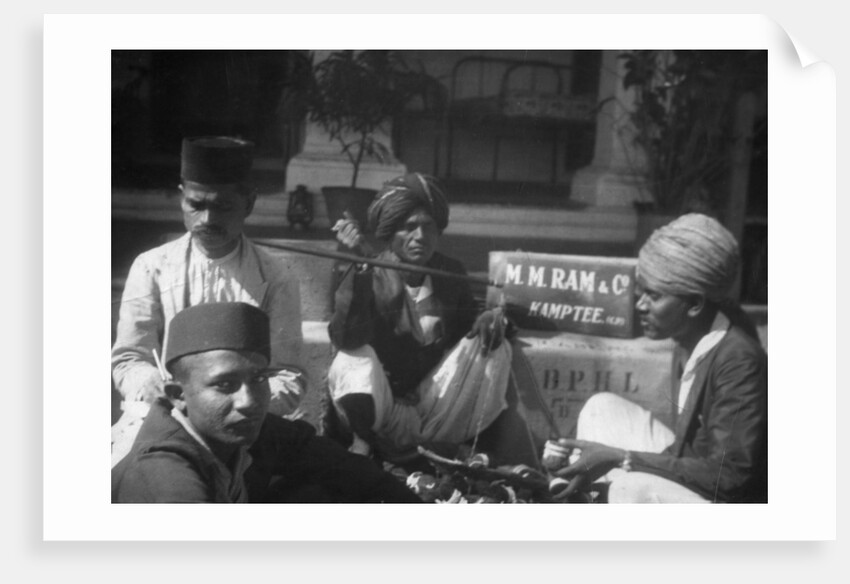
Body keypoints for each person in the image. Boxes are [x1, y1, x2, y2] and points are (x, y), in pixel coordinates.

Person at [543, 213, 767, 503]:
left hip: (727, 503)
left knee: (630, 488)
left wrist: (623, 459)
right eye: (640, 293)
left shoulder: (737, 361)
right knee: (602, 408)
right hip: (694, 467)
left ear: (695, 304)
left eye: (653, 296)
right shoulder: (690, 331)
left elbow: (731, 477)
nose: (640, 306)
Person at [111, 136, 306, 466]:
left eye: (223, 206)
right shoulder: (152, 267)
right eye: (196, 205)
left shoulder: (275, 276)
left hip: (246, 427)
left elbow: (289, 375)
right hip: (162, 418)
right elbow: (129, 358)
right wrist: (150, 384)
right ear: (181, 199)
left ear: (249, 203)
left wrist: (230, 408)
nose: (207, 219)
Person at [112, 302, 423, 503]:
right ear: (178, 396)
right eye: (225, 385)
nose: (249, 401)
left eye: (259, 378)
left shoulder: (242, 429)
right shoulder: (163, 476)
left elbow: (345, 466)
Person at [325, 172, 514, 464]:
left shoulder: (450, 271)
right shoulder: (370, 270)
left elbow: (469, 326)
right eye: (408, 228)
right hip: (383, 407)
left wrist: (491, 318)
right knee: (352, 357)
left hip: (431, 408)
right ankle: (363, 445)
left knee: (496, 347)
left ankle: (445, 446)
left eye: (429, 227)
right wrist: (361, 269)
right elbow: (345, 337)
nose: (420, 238)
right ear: (389, 232)